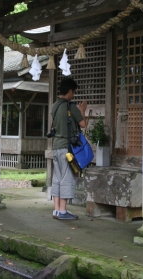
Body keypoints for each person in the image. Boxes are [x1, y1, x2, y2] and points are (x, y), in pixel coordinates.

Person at [50, 77, 87, 220]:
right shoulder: (70, 107)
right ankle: (63, 210)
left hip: (56, 147)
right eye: (74, 92)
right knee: (67, 177)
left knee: (57, 178)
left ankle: (56, 210)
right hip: (67, 149)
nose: (74, 95)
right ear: (70, 91)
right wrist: (82, 110)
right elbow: (83, 124)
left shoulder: (54, 106)